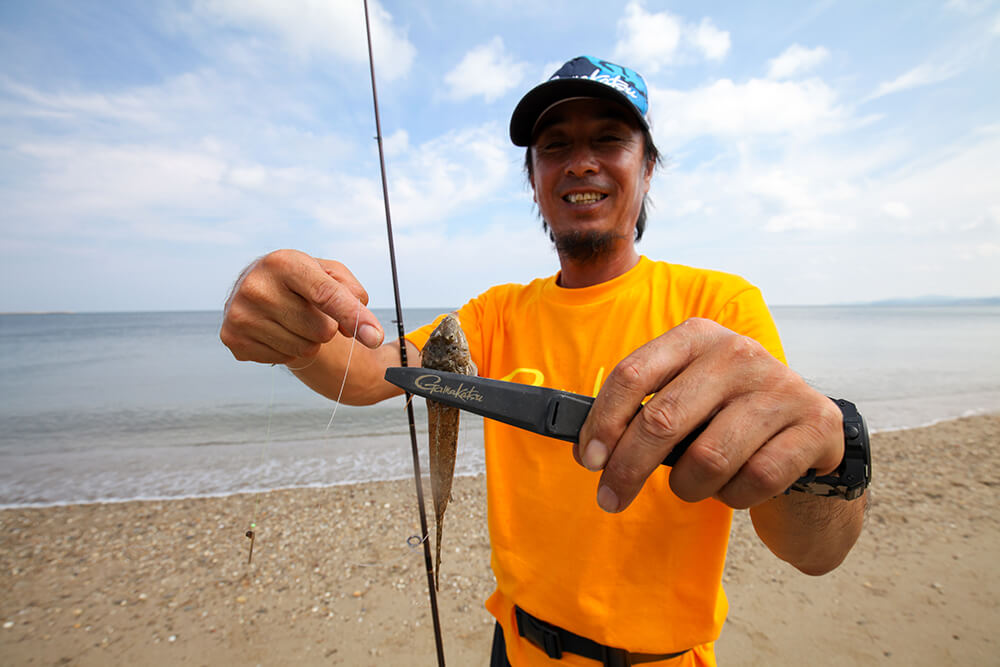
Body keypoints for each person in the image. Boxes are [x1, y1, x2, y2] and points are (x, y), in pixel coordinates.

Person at [220, 56, 867, 667]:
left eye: (609, 140)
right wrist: (296, 326)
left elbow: (816, 551)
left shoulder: (718, 308)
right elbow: (366, 373)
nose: (580, 163)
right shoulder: (493, 315)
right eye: (554, 146)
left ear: (647, 169)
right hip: (515, 645)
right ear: (533, 178)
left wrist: (827, 453)